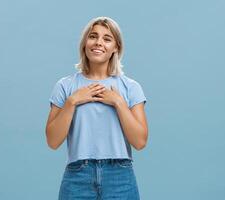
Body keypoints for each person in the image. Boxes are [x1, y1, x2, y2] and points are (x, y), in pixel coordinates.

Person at [46, 16, 148, 200]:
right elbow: (53, 141)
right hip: (77, 176)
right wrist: (72, 101)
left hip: (120, 176)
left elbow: (140, 141)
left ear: (116, 47)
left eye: (107, 39)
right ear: (85, 42)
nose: (98, 42)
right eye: (93, 36)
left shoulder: (130, 87)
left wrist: (118, 102)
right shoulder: (65, 86)